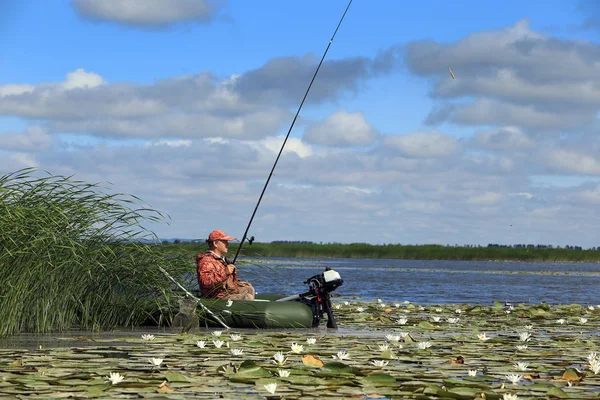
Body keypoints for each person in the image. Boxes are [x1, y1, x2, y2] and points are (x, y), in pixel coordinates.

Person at [196, 229, 255, 300]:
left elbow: (227, 281)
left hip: (227, 293)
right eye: (225, 242)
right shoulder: (206, 261)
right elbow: (205, 282)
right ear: (215, 243)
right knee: (247, 297)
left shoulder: (223, 260)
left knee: (249, 289)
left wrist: (238, 283)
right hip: (216, 297)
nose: (228, 244)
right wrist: (224, 272)